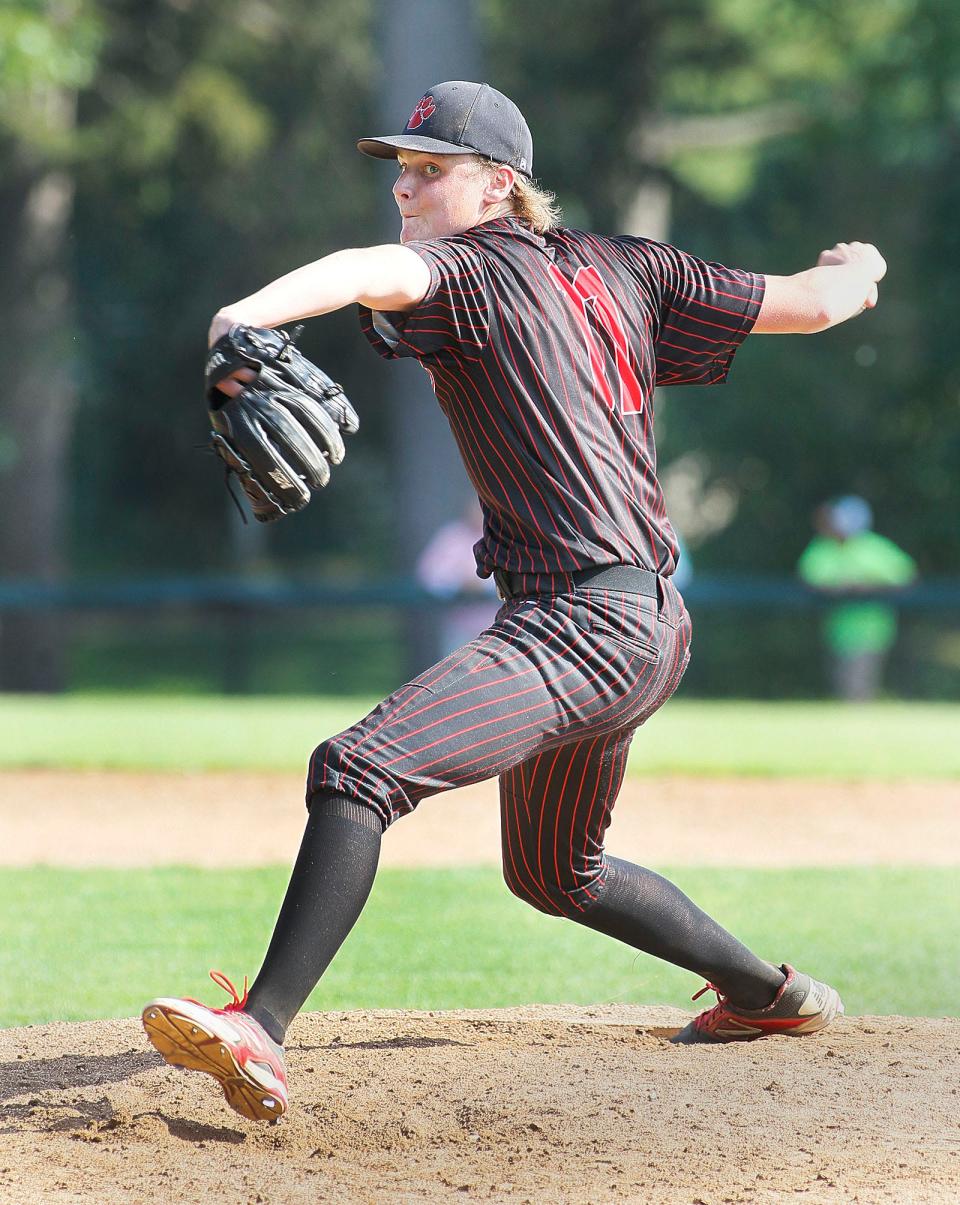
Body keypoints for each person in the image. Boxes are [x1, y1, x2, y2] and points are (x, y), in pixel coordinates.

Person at [143, 80, 886, 1122]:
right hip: (648, 623)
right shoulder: (635, 267)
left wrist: (241, 319)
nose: (404, 186)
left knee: (359, 767)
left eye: (429, 168)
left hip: (585, 624)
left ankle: (257, 1031)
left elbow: (373, 270)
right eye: (400, 167)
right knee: (554, 870)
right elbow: (812, 305)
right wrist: (859, 269)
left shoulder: (469, 269)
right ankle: (773, 995)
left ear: (498, 185)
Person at [798, 495, 916, 701]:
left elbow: (906, 578)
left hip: (871, 632)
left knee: (857, 687)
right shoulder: (823, 547)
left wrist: (869, 588)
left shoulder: (874, 548)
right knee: (840, 685)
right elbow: (808, 580)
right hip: (836, 631)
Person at [416, 497, 500, 656]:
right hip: (459, 629)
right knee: (457, 675)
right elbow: (429, 576)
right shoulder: (451, 536)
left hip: (498, 627)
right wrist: (458, 585)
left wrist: (482, 585)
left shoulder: (501, 535)